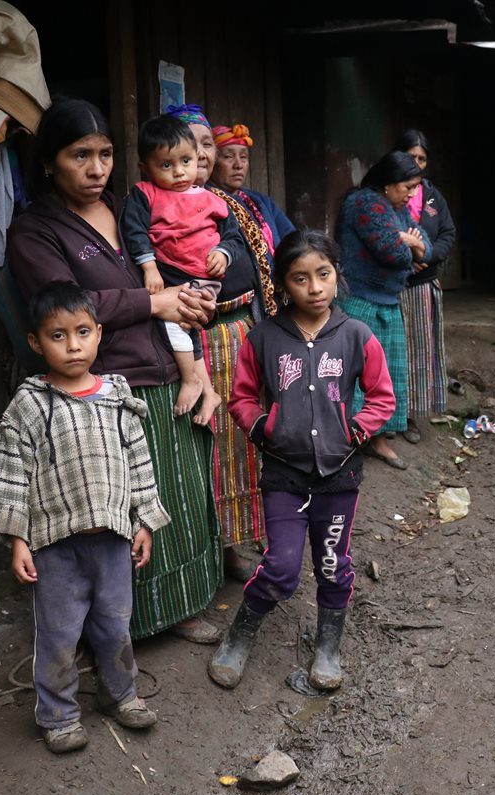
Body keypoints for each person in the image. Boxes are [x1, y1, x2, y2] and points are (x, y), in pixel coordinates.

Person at [7, 98, 223, 644]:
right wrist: (157, 304)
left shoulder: (130, 206)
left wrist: (190, 305)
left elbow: (175, 262)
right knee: (119, 510)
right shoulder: (36, 231)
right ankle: (130, 626)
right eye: (80, 155)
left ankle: (187, 602)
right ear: (50, 162)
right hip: (103, 387)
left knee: (179, 496)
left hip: (167, 367)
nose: (96, 167)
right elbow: (68, 310)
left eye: (104, 153)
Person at [210, 230, 395, 690]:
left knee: (333, 564)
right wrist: (264, 428)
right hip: (284, 474)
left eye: (323, 275)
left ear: (337, 276)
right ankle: (239, 635)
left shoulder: (356, 335)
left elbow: (381, 397)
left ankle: (328, 647)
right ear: (282, 285)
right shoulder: (264, 338)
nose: (314, 288)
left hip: (339, 475)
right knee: (282, 567)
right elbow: (242, 397)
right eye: (300, 278)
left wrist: (357, 430)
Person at [0, 283, 165, 753]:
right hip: (54, 546)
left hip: (112, 540)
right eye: (58, 336)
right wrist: (18, 539)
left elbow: (140, 461)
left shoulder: (116, 397)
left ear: (98, 333)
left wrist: (144, 520)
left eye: (83, 332)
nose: (73, 345)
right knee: (58, 635)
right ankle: (58, 715)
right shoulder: (30, 405)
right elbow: (11, 475)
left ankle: (121, 695)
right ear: (35, 343)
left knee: (115, 627)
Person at [165, 104, 269, 580]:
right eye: (192, 145)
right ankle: (204, 551)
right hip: (190, 341)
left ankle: (235, 542)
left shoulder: (229, 204)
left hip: (239, 333)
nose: (202, 153)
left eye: (208, 144)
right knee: (201, 449)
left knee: (239, 443)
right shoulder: (157, 205)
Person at [121, 115, 246, 423]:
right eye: (166, 165)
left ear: (199, 157)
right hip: (169, 273)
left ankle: (193, 382)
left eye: (186, 161)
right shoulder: (145, 194)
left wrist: (223, 253)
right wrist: (149, 267)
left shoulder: (212, 199)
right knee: (177, 324)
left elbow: (234, 237)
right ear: (145, 168)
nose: (179, 172)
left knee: (179, 324)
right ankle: (206, 389)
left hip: (205, 279)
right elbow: (134, 231)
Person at [335, 151, 430, 469]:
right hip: (360, 302)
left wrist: (414, 244)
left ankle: (376, 439)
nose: (413, 194)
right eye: (408, 187)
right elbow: (392, 252)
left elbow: (426, 247)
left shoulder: (397, 209)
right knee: (358, 375)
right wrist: (409, 248)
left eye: (416, 187)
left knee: (384, 376)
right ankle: (349, 441)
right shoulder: (364, 203)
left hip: (387, 302)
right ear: (388, 184)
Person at [394, 129, 456, 444]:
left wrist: (427, 255)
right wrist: (407, 258)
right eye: (410, 157)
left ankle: (411, 416)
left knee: (421, 352)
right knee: (397, 352)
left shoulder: (432, 196)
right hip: (395, 287)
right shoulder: (387, 194)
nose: (416, 163)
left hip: (423, 286)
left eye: (421, 158)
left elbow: (447, 233)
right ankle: (393, 415)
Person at [211, 122, 295, 261]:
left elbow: (292, 241)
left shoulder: (262, 202)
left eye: (243, 157)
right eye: (228, 157)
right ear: (212, 161)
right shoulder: (208, 200)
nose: (238, 165)